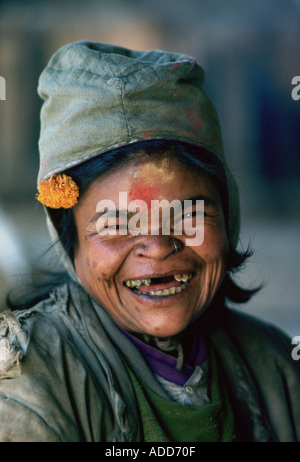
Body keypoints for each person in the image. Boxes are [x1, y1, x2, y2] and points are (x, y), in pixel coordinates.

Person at [0, 41, 299, 443]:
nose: (157, 247)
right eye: (117, 224)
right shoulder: (26, 384)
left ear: (227, 217)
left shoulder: (277, 365)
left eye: (187, 215)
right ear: (69, 237)